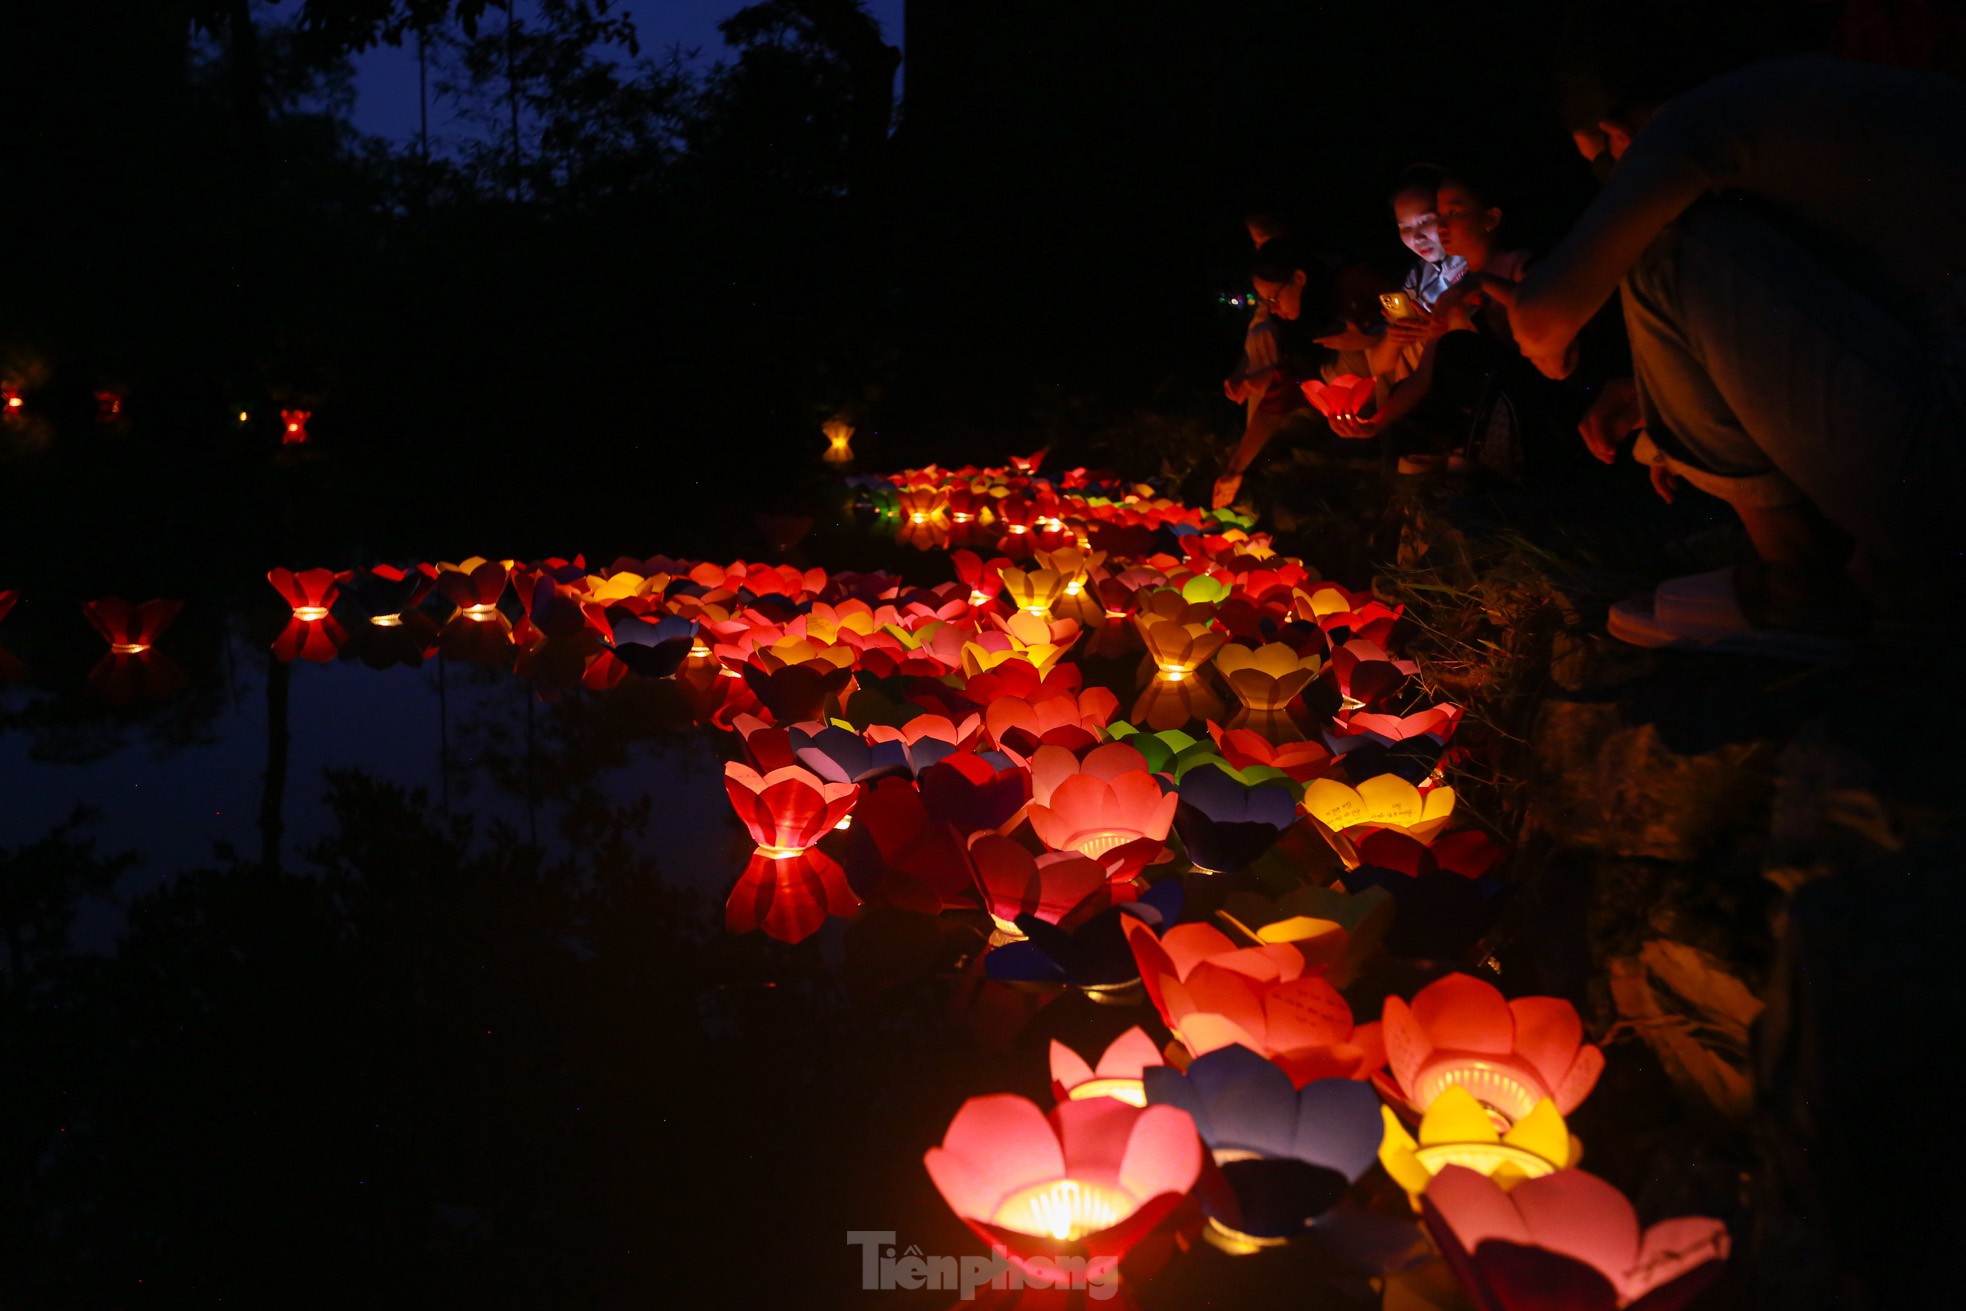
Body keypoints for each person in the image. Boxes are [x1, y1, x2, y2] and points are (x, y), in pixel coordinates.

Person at [1472, 2, 1966, 653]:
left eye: (1605, 160)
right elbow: (1839, 319)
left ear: (1620, 129)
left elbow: (1543, 321)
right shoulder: (1798, 105)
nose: (1612, 178)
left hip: (1943, 477)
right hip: (1940, 445)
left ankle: (1801, 581)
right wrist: (1658, 395)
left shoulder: (1696, 121)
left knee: (1660, 247)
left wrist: (1535, 325)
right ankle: (1892, 573)